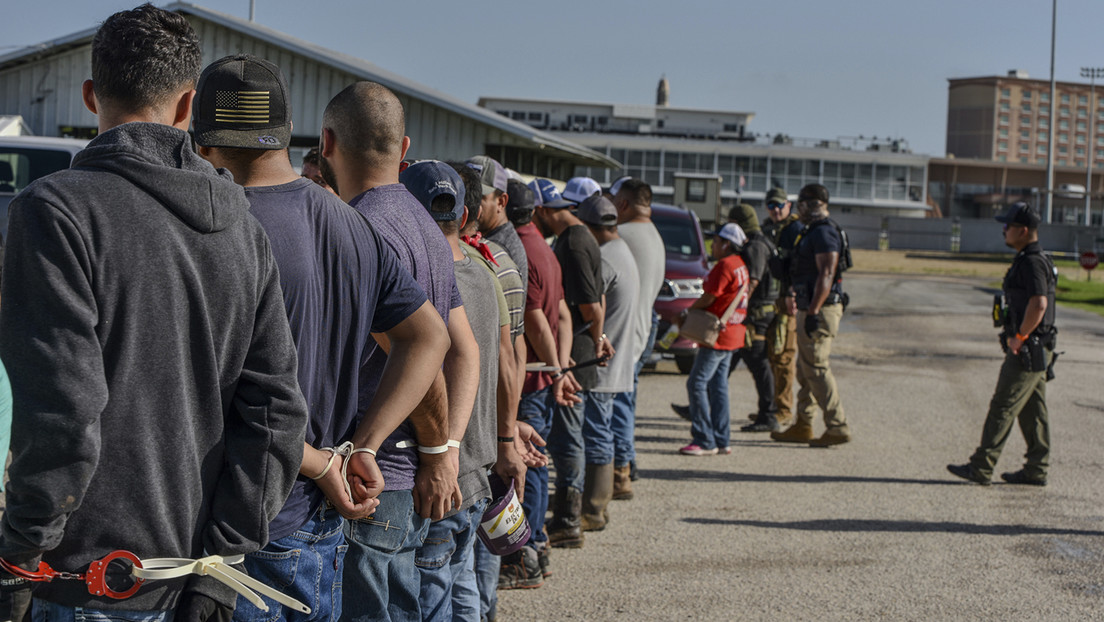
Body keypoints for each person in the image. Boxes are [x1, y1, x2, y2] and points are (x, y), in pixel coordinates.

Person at [0, 6, 308, 620]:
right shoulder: (242, 231)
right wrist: (226, 562)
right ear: (188, 105)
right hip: (190, 579)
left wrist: (19, 554)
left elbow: (63, 408)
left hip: (81, 581)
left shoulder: (55, 212)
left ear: (91, 95)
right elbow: (276, 411)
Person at [192, 55, 451, 620]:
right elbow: (430, 338)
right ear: (290, 133)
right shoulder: (350, 223)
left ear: (203, 141)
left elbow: (218, 391)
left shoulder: (217, 227)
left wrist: (319, 462)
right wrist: (363, 445)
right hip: (317, 523)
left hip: (240, 524)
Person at [319, 81, 481, 621]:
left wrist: (439, 453)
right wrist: (450, 445)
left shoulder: (362, 228)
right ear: (404, 148)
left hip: (376, 474)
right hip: (403, 474)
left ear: (327, 143)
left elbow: (418, 353)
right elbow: (466, 351)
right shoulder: (427, 227)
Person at [400, 161, 514, 620]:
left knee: (432, 599)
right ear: (465, 214)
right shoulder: (486, 273)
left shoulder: (421, 281)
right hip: (477, 468)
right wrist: (506, 439)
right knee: (461, 584)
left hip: (440, 474)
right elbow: (507, 360)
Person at [497, 178, 576, 589]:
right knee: (537, 464)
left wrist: (556, 369)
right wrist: (559, 366)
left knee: (523, 467)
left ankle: (523, 556)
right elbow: (562, 314)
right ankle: (538, 546)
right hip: (542, 373)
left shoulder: (521, 251)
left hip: (528, 379)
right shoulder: (545, 248)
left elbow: (537, 319)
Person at [532, 176, 615, 549]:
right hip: (575, 347)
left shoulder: (577, 241)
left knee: (568, 438)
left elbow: (592, 304)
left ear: (548, 211)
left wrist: (597, 339)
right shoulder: (576, 237)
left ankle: (569, 518)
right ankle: (568, 515)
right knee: (568, 435)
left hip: (576, 352)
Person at [948, 202, 1056, 486]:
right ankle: (1036, 468)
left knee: (1003, 405)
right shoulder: (1032, 258)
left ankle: (981, 466)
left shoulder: (1032, 261)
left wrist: (1019, 337)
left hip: (1028, 347)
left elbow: (1039, 303)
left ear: (1023, 230)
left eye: (1007, 226)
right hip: (1037, 345)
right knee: (1034, 409)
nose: (1004, 230)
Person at [771, 183, 851, 448]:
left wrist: (814, 310)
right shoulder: (812, 231)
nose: (799, 209)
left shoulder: (825, 233)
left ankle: (837, 426)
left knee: (816, 367)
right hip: (811, 305)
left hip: (820, 308)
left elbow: (827, 273)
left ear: (810, 204)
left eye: (801, 204)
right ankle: (803, 424)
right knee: (806, 368)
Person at [576, 195, 639, 531]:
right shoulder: (624, 250)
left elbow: (591, 306)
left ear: (588, 227)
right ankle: (599, 503)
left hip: (602, 365)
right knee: (606, 431)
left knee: (597, 434)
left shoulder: (605, 258)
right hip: (618, 361)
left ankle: (594, 509)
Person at [676, 223, 749, 456]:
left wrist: (687, 312)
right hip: (733, 331)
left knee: (696, 383)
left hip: (717, 334)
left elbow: (710, 296)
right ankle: (721, 438)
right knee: (719, 386)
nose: (712, 245)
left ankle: (704, 438)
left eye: (716, 241)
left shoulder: (726, 265)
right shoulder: (740, 265)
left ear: (726, 244)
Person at [611, 179, 664, 498]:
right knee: (626, 402)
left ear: (624, 205)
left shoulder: (625, 236)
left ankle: (620, 471)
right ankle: (627, 461)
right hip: (645, 328)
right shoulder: (655, 236)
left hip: (626, 334)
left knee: (618, 405)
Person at [726, 203, 781, 433]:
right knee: (727, 359)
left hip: (756, 315)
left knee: (758, 362)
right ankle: (700, 405)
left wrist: (733, 308)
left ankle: (769, 415)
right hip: (755, 313)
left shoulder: (756, 246)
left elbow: (753, 282)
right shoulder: (760, 242)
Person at [761, 187, 802, 428]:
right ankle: (771, 407)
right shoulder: (766, 230)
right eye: (771, 205)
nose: (776, 210)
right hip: (767, 300)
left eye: (780, 205)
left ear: (789, 205)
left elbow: (797, 266)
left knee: (785, 355)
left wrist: (791, 294)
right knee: (769, 355)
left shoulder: (795, 230)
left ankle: (785, 409)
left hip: (786, 300)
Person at [467, 155, 528, 289]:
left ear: (501, 201)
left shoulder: (498, 249)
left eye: (478, 197)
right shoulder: (483, 237)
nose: (469, 202)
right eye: (464, 194)